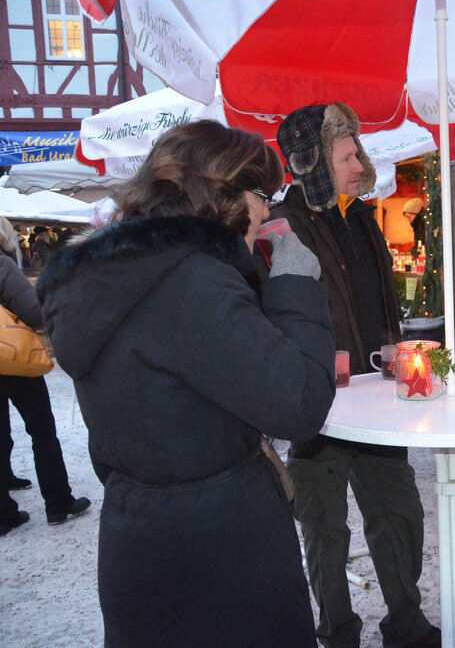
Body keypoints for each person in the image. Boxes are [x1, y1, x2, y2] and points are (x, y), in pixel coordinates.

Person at [35, 120, 337, 647]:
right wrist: (293, 284)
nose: (267, 211)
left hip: (137, 536)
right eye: (262, 194)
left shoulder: (106, 275)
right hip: (223, 551)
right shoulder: (192, 282)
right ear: (222, 194)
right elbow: (300, 404)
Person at [269, 103, 440, 648]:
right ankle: (338, 632)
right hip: (317, 405)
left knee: (400, 514)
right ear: (313, 161)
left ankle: (405, 623)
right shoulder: (282, 225)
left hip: (378, 398)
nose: (359, 164)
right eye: (346, 155)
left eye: (358, 152)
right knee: (323, 529)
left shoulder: (362, 215)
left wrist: (401, 354)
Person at [0, 216, 89, 536]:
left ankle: (3, 511)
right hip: (12, 359)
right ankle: (58, 502)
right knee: (42, 431)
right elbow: (33, 311)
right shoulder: (3, 265)